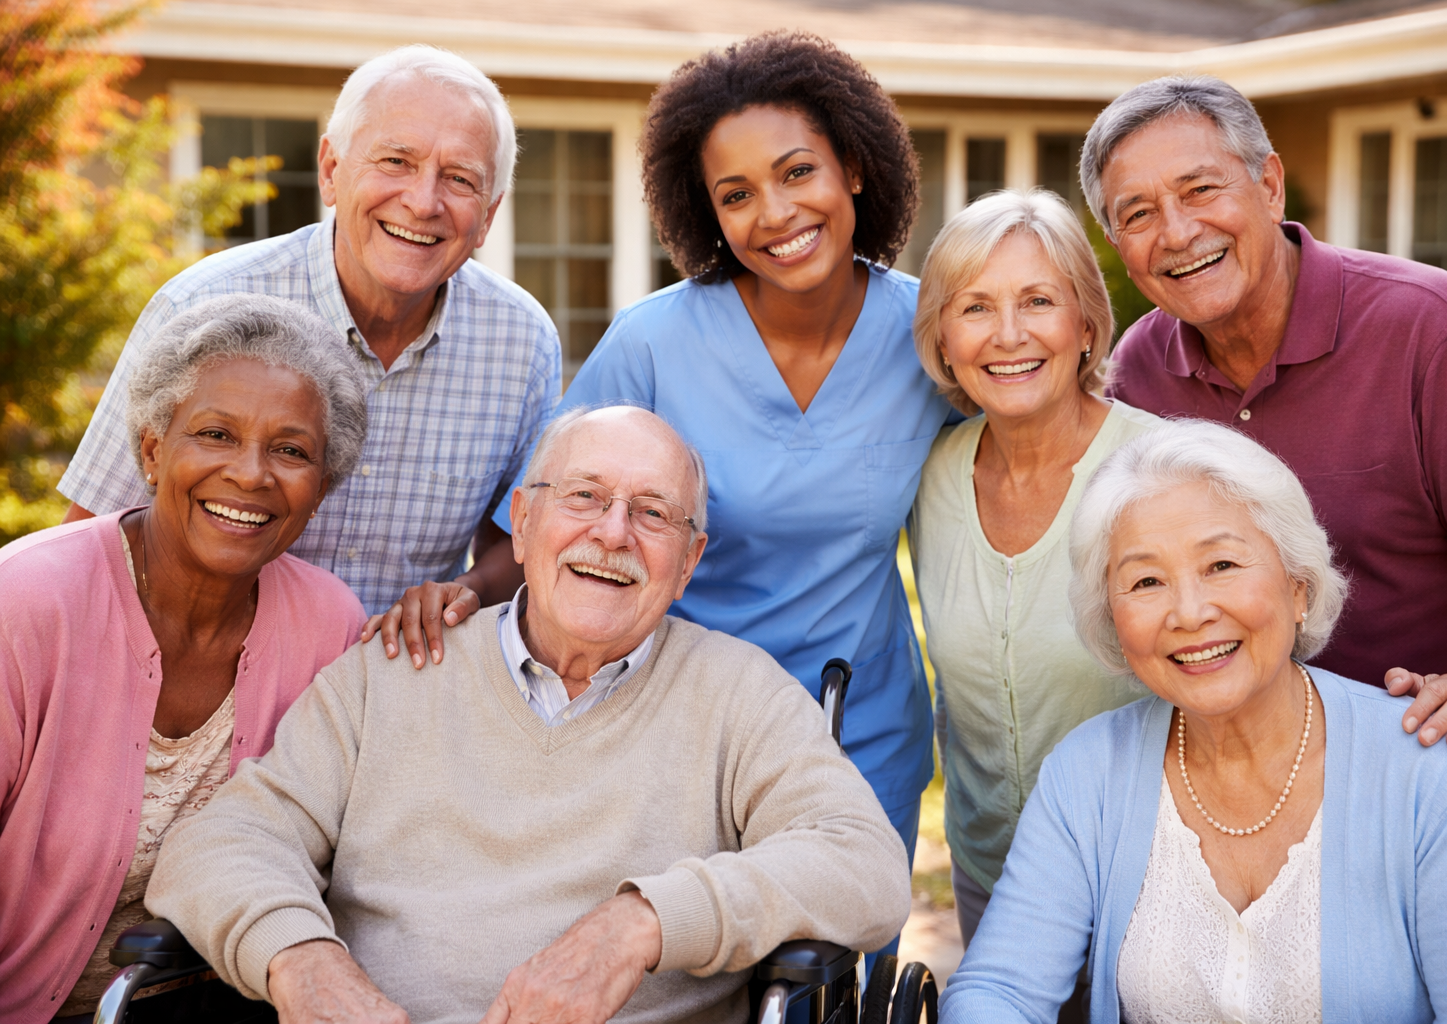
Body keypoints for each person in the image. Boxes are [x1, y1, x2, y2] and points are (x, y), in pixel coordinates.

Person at [369, 32, 958, 893]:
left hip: (853, 722)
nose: (777, 212)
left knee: (832, 975)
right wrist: (466, 592)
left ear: (856, 169)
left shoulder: (930, 337)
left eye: (799, 172)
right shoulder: (653, 341)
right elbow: (542, 519)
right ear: (707, 214)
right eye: (736, 193)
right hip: (672, 723)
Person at [145, 405, 910, 1024]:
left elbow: (864, 866)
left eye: (652, 513)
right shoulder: (393, 671)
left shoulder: (740, 693)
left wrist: (642, 923)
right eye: (583, 496)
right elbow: (224, 840)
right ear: (524, 519)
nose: (612, 533)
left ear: (689, 562)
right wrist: (300, 960)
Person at [941, 421, 1447, 1024]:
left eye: (1222, 564)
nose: (1190, 612)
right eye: (1146, 581)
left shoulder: (1431, 772)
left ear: (1298, 587)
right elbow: (1000, 989)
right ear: (1112, 620)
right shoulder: (1085, 772)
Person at [1085, 75, 1447, 869]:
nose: (1179, 231)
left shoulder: (1433, 329)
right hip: (1263, 830)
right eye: (1138, 214)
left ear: (1268, 184)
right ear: (1118, 244)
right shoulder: (1139, 372)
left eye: (1201, 189)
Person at [56, 44, 562, 617]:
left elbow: (518, 538)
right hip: (198, 676)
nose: (423, 202)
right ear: (331, 170)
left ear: (488, 216)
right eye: (395, 161)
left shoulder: (522, 343)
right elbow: (87, 544)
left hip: (399, 686)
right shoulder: (202, 306)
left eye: (459, 179)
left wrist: (464, 592)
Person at [0, 295, 370, 1024]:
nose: (251, 473)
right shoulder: (27, 602)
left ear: (321, 487)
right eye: (215, 434)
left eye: (291, 450)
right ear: (151, 449)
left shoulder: (329, 624)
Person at [906, 189, 1160, 948]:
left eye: (1039, 301)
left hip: (1145, 881)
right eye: (976, 307)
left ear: (1086, 324)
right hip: (992, 879)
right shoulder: (933, 475)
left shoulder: (1160, 470)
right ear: (943, 340)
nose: (1008, 335)